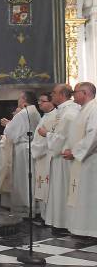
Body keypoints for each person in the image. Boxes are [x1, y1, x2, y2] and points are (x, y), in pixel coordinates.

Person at [43, 84, 80, 230]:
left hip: (64, 158)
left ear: (62, 95)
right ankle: (60, 222)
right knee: (59, 190)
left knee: (63, 191)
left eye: (54, 92)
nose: (52, 95)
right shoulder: (64, 111)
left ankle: (63, 223)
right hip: (60, 156)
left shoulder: (69, 113)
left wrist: (46, 134)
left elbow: (60, 138)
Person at [0, 91, 40, 213]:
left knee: (22, 179)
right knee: (29, 178)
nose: (18, 100)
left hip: (22, 150)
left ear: (24, 99)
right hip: (31, 147)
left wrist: (7, 124)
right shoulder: (35, 112)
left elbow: (11, 132)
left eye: (19, 98)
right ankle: (32, 207)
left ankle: (23, 208)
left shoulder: (23, 113)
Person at [64, 82, 97, 237]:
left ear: (84, 93)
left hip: (91, 161)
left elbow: (93, 134)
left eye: (75, 92)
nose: (72, 95)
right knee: (83, 195)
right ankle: (83, 229)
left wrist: (76, 152)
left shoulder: (94, 108)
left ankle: (91, 231)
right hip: (83, 160)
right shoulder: (83, 109)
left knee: (90, 195)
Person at [31, 92, 56, 217]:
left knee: (46, 187)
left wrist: (35, 149)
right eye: (38, 100)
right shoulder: (45, 116)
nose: (39, 103)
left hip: (46, 156)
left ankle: (47, 217)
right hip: (40, 156)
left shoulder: (55, 117)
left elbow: (48, 139)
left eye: (42, 100)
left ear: (51, 102)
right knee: (41, 186)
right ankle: (43, 215)